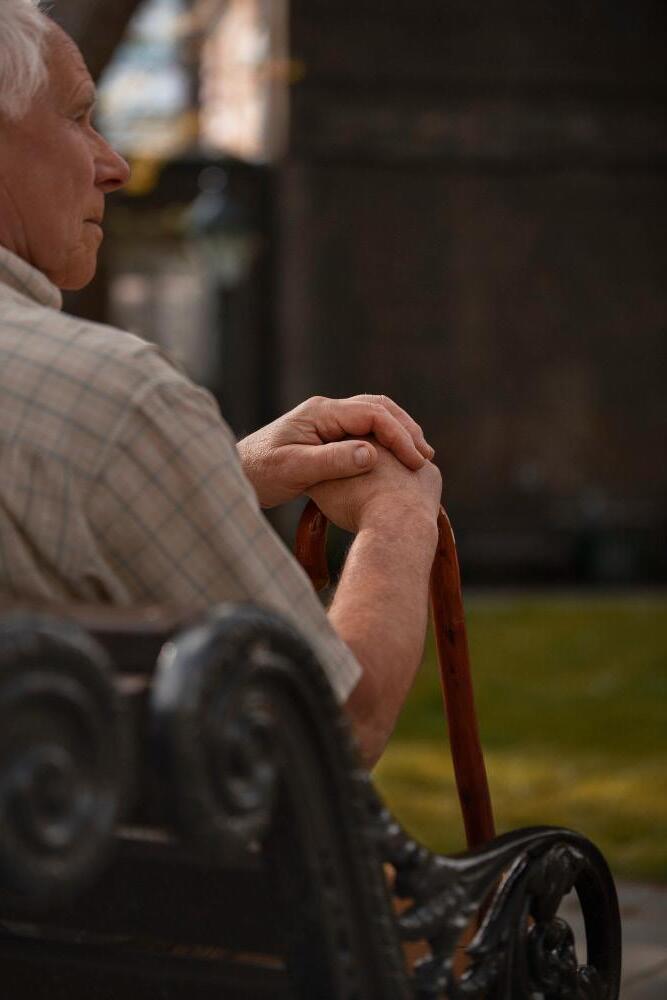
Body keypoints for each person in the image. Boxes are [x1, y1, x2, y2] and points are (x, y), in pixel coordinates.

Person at [0, 1, 442, 767]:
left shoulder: (89, 419)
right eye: (77, 118)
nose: (115, 164)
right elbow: (333, 727)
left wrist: (211, 476)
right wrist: (399, 518)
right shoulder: (114, 398)